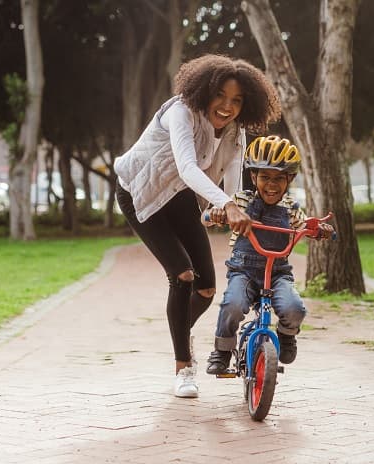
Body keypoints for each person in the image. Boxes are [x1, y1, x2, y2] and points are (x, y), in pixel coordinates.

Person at [114, 55, 281, 398]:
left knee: (205, 289)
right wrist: (226, 204)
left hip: (178, 197)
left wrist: (232, 203)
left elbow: (234, 167)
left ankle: (179, 331)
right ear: (205, 90)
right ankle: (183, 367)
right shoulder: (180, 112)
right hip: (139, 193)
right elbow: (188, 167)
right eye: (220, 95)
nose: (227, 106)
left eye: (236, 100)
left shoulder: (236, 129)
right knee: (183, 275)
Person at [201, 136, 335, 375]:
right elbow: (208, 216)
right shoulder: (241, 201)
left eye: (278, 178)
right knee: (232, 305)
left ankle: (286, 335)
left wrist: (318, 230)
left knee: (295, 308)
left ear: (290, 179)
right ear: (254, 177)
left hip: (277, 274)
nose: (271, 185)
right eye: (265, 177)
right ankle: (222, 350)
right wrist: (217, 215)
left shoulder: (291, 208)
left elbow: (305, 224)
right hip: (244, 271)